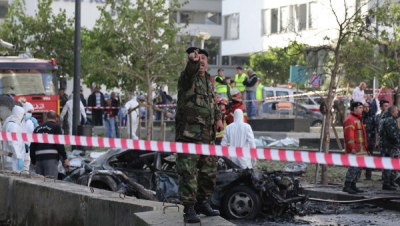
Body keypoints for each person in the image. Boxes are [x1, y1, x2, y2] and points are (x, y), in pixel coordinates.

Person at [175, 47, 223, 223]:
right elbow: (189, 72)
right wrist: (192, 62)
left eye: (204, 58)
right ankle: (188, 209)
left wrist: (218, 118)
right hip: (189, 136)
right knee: (187, 173)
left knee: (209, 172)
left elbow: (212, 103)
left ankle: (202, 203)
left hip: (207, 136)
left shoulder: (209, 80)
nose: (201, 60)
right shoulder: (187, 78)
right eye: (198, 58)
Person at [30, 111, 69, 178]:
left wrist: (33, 161)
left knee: (39, 183)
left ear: (46, 117)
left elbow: (32, 146)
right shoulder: (56, 127)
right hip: (51, 159)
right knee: (50, 183)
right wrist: (65, 158)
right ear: (56, 118)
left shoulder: (37, 129)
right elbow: (59, 144)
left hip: (39, 159)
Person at [342, 101, 367, 194]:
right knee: (353, 168)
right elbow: (349, 136)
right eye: (360, 108)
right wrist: (352, 147)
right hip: (354, 150)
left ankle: (353, 185)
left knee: (358, 168)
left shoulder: (358, 119)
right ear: (354, 108)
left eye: (362, 107)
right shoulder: (350, 120)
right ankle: (347, 185)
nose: (362, 109)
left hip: (360, 150)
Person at [379, 105, 400, 190]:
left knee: (394, 163)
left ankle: (392, 180)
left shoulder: (388, 118)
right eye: (397, 111)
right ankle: (386, 183)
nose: (398, 112)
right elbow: (393, 135)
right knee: (388, 164)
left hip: (391, 146)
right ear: (393, 112)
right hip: (388, 146)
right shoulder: (390, 121)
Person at [1, 106, 25, 171]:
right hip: (14, 159)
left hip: (9, 157)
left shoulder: (7, 124)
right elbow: (12, 143)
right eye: (23, 115)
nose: (23, 117)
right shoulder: (14, 126)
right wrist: (18, 157)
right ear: (19, 114)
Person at [21, 102, 38, 172]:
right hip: (20, 147)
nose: (30, 114)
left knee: (26, 166)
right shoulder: (19, 121)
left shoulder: (31, 122)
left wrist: (36, 126)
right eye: (29, 112)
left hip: (28, 148)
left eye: (31, 112)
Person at [362, 102, 376, 180]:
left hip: (370, 139)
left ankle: (368, 175)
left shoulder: (373, 117)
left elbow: (376, 129)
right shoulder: (361, 117)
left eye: (368, 107)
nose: (366, 108)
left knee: (369, 156)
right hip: (361, 140)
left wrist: (375, 140)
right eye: (364, 107)